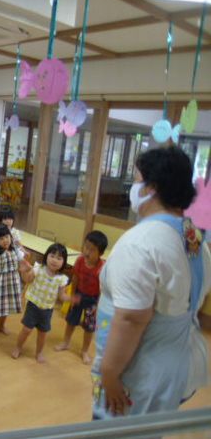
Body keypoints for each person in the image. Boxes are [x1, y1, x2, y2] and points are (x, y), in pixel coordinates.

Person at [92, 146, 211, 419]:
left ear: (151, 188)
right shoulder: (194, 240)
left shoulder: (141, 243)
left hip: (136, 372)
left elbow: (131, 319)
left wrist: (109, 373)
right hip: (174, 366)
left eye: (136, 180)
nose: (133, 188)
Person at [55, 231, 108, 365]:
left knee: (89, 327)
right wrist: (72, 295)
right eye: (86, 247)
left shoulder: (102, 268)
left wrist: (98, 306)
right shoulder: (79, 260)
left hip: (93, 299)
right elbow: (75, 278)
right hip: (79, 295)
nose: (87, 252)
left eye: (92, 250)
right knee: (71, 321)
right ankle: (66, 342)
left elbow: (103, 289)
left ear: (100, 253)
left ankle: (84, 351)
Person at [12, 243, 70, 363]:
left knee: (43, 333)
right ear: (46, 256)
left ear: (63, 262)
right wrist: (23, 272)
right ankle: (18, 347)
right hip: (33, 305)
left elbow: (61, 296)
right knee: (26, 330)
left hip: (47, 310)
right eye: (52, 256)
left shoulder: (62, 279)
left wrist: (71, 298)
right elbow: (27, 280)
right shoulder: (38, 269)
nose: (54, 260)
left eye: (59, 258)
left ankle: (39, 352)